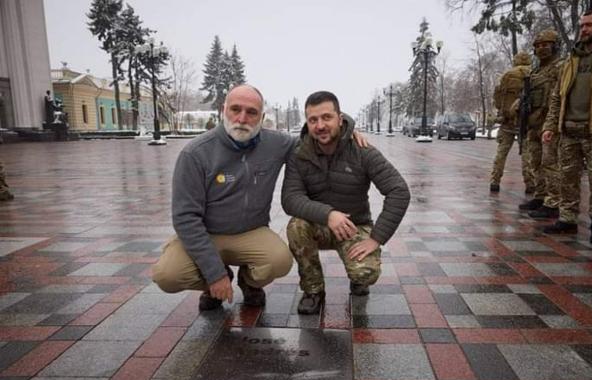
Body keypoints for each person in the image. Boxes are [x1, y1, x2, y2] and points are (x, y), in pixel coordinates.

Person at [152, 84, 367, 311]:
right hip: (205, 233)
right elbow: (185, 218)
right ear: (223, 110)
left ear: (262, 117)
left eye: (252, 112)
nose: (242, 118)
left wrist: (345, 130)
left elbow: (317, 134)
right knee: (167, 275)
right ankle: (214, 279)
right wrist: (214, 274)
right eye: (236, 109)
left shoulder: (277, 143)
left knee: (279, 261)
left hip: (251, 232)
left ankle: (249, 282)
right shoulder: (195, 153)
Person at [281, 91, 410, 315]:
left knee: (365, 273)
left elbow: (398, 191)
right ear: (307, 122)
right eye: (313, 120)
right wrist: (329, 215)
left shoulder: (362, 150)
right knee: (296, 226)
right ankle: (313, 290)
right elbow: (290, 198)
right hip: (318, 225)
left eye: (327, 117)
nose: (320, 125)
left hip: (354, 226)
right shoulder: (299, 154)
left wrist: (376, 238)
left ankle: (357, 279)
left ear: (340, 119)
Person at [541, 9, 592, 245]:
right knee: (568, 177)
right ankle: (567, 219)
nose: (584, 29)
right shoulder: (573, 58)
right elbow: (558, 95)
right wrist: (551, 125)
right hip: (569, 130)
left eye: (589, 25)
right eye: (582, 25)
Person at [518, 30, 564, 217]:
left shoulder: (560, 67)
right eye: (538, 46)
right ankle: (541, 194)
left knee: (550, 163)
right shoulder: (535, 71)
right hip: (533, 123)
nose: (541, 49)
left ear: (555, 46)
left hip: (549, 124)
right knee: (534, 162)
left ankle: (554, 201)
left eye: (546, 45)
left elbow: (560, 96)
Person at [490, 52, 533, 193]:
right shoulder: (534, 74)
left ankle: (495, 181)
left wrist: (503, 111)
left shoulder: (507, 75)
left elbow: (498, 98)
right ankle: (530, 184)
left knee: (501, 153)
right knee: (528, 154)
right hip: (527, 121)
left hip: (507, 120)